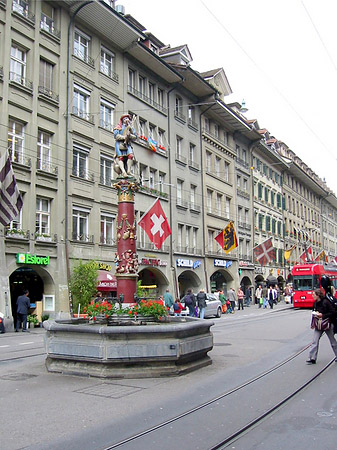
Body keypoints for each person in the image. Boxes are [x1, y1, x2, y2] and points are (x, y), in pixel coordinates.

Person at [306, 289, 337, 364]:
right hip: (318, 325)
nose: (312, 296)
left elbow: (332, 312)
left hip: (327, 324)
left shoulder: (326, 302)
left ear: (318, 295)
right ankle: (312, 358)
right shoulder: (315, 303)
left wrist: (323, 315)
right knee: (314, 341)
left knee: (332, 341)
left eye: (314, 294)